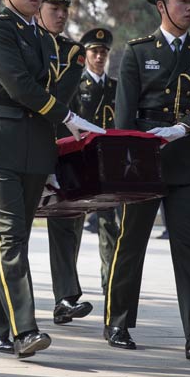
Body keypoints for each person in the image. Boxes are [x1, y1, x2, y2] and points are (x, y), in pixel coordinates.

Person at [0, 0, 101, 358]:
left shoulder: (43, 39)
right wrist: (67, 116)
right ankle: (24, 330)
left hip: (34, 146)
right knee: (10, 237)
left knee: (13, 239)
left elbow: (55, 88)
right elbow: (20, 86)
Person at [104, 0, 190, 361]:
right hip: (143, 159)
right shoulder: (138, 51)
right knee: (131, 242)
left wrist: (185, 126)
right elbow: (124, 116)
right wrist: (123, 164)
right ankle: (117, 321)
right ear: (161, 6)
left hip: (187, 157)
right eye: (182, 1)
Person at [36, 0, 93, 325]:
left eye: (64, 9)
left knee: (67, 221)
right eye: (53, 7)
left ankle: (66, 298)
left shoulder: (73, 52)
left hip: (60, 145)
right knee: (11, 232)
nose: (60, 14)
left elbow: (58, 95)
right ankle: (5, 305)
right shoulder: (19, 41)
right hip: (21, 142)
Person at [74, 27, 121, 297]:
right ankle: (69, 288)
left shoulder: (115, 87)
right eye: (95, 52)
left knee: (108, 223)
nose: (100, 57)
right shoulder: (77, 85)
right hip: (81, 161)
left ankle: (110, 282)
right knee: (74, 223)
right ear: (86, 54)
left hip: (108, 162)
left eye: (104, 52)